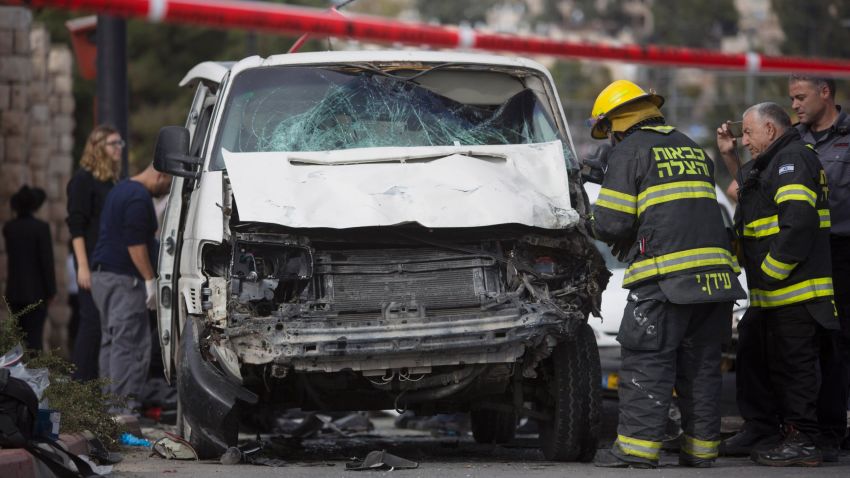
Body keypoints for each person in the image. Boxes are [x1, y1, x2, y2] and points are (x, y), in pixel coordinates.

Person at [587, 80, 745, 469]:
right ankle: (700, 452)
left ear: (616, 124)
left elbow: (610, 224)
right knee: (702, 369)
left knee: (648, 361)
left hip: (665, 281)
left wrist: (586, 210)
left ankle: (636, 451)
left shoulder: (630, 153)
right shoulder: (692, 148)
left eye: (608, 132)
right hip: (716, 282)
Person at [717, 77, 850, 459]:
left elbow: (799, 223)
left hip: (793, 291)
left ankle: (804, 439)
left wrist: (772, 273)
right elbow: (751, 195)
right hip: (771, 294)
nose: (744, 140)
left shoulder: (794, 159)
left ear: (770, 129)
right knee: (756, 358)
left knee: (797, 366)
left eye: (748, 133)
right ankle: (762, 430)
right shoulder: (773, 161)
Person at [90, 164, 172, 414]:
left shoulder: (120, 189)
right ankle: (122, 411)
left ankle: (109, 407)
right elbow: (135, 245)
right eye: (168, 184)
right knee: (131, 344)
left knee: (112, 342)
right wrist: (150, 280)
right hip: (125, 280)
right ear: (161, 175)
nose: (166, 190)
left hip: (103, 277)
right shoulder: (139, 198)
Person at [66, 125, 122, 381]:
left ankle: (97, 386)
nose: (118, 149)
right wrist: (82, 266)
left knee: (105, 326)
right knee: (90, 324)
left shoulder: (110, 180)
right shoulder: (83, 180)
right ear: (99, 147)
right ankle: (80, 386)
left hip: (110, 265)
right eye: (113, 144)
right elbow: (75, 225)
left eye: (120, 144)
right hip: (92, 263)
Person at [3, 185, 56, 352]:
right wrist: (51, 291)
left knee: (19, 341)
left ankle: (19, 377)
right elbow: (46, 262)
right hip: (36, 294)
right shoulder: (41, 228)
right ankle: (31, 377)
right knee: (34, 341)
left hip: (14, 293)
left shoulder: (9, 228)